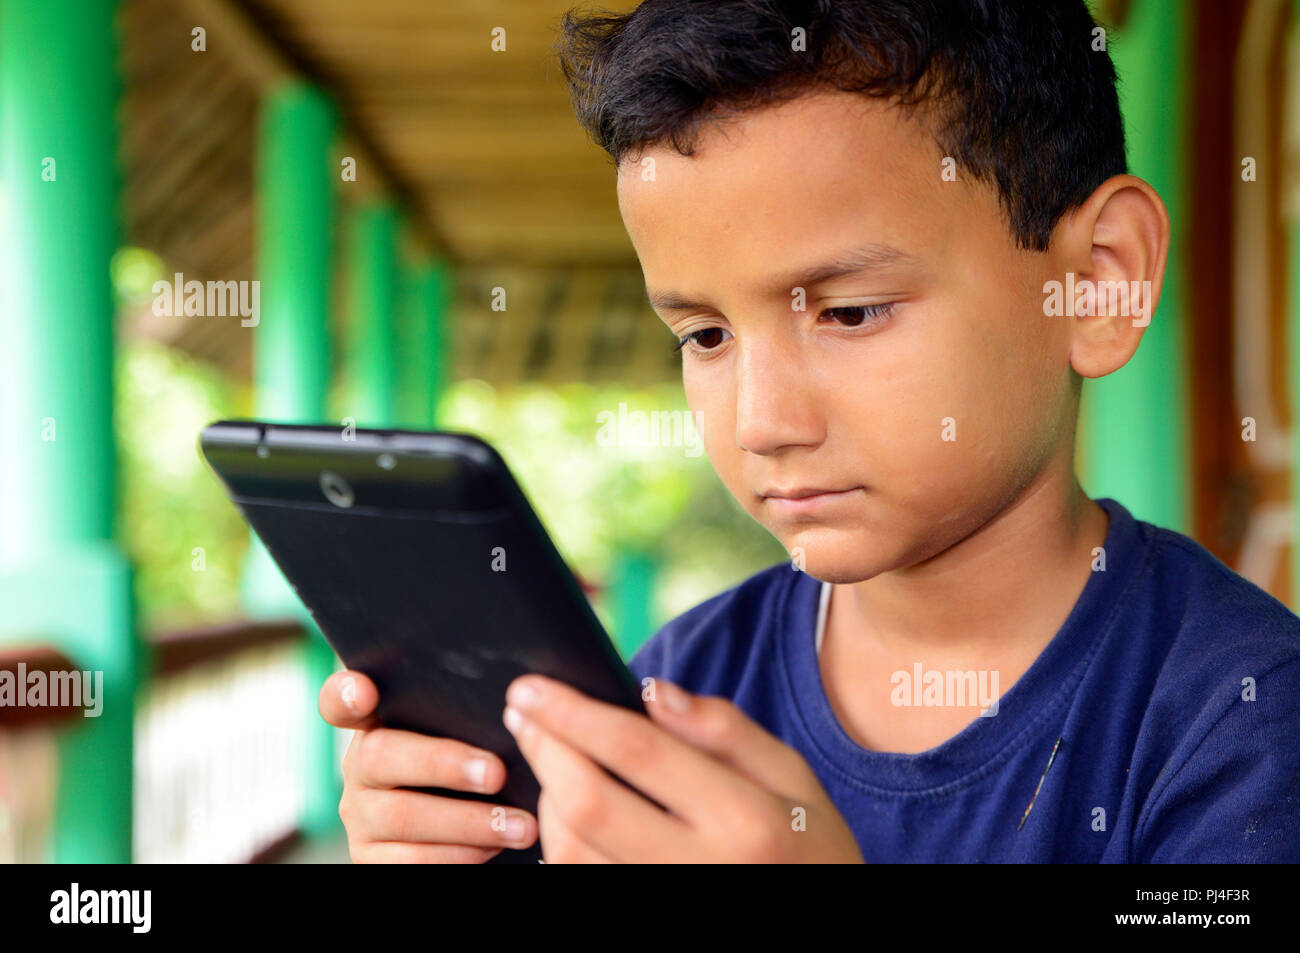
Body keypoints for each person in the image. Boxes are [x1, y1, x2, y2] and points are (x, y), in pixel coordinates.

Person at [318, 0, 1300, 862]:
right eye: (703, 334)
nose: (762, 421)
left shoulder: (1241, 718)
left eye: (851, 312)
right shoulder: (675, 692)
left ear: (1093, 280)